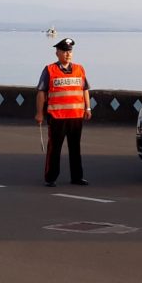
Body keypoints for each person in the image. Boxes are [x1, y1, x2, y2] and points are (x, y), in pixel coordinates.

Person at [35, 38, 92, 187]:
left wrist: (88, 108)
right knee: (54, 148)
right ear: (57, 53)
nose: (68, 54)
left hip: (76, 116)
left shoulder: (80, 69)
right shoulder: (49, 70)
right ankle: (51, 177)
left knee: (75, 148)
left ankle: (77, 177)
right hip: (57, 117)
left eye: (70, 51)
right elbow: (41, 92)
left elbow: (85, 89)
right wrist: (39, 113)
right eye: (64, 51)